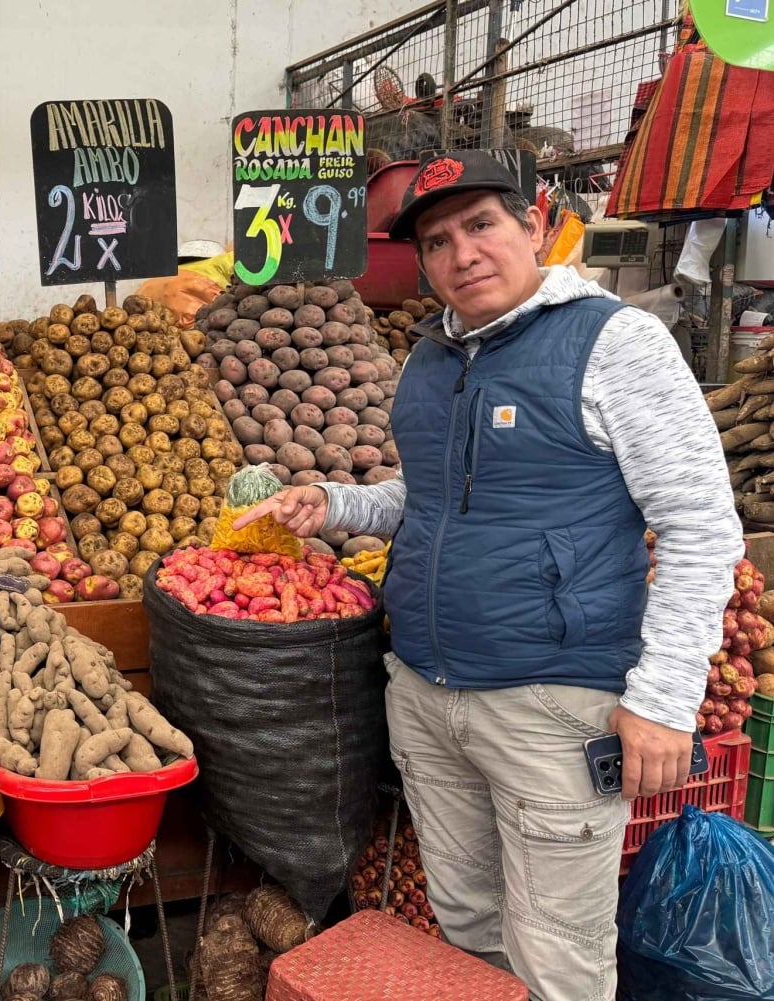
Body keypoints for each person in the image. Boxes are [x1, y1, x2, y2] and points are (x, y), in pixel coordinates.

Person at [232, 150, 743, 1001]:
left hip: (552, 708)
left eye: (481, 225)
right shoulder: (432, 359)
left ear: (535, 222)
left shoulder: (614, 341)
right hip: (430, 696)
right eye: (437, 241)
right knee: (466, 924)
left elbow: (699, 524)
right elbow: (429, 498)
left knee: (560, 955)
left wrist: (663, 698)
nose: (461, 254)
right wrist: (335, 504)